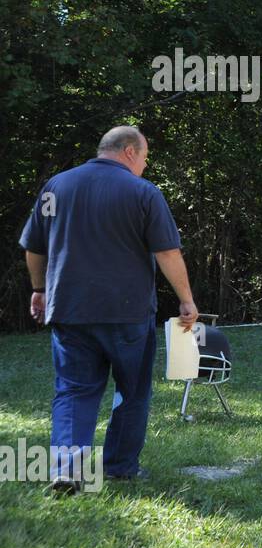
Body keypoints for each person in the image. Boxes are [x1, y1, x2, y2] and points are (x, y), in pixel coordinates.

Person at [19, 126, 198, 491]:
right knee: (132, 390)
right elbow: (167, 251)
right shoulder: (143, 192)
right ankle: (119, 467)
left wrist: (39, 290)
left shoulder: (57, 187)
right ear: (129, 151)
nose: (145, 166)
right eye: (145, 158)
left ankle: (69, 470)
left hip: (70, 308)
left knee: (74, 389)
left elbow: (34, 247)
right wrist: (186, 299)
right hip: (127, 313)